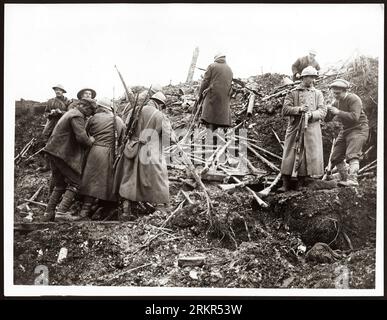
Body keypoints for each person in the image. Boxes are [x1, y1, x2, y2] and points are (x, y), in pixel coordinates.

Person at [113, 91, 175, 220]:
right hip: (149, 150)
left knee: (130, 178)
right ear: (160, 104)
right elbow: (168, 138)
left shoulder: (134, 111)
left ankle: (126, 209)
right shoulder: (160, 115)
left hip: (132, 147)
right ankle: (160, 208)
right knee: (158, 178)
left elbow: (125, 128)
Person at [40, 97, 97, 221]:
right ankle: (61, 212)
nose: (89, 115)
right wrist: (90, 141)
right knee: (76, 182)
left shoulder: (70, 113)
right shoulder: (77, 115)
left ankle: (48, 213)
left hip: (53, 151)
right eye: (90, 112)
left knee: (60, 184)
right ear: (85, 107)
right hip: (61, 153)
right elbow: (81, 138)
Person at [279, 66, 327, 192]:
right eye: (309, 77)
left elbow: (323, 111)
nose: (311, 80)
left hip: (311, 128)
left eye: (313, 77)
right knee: (290, 153)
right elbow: (285, 110)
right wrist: (299, 109)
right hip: (295, 127)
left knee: (307, 156)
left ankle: (301, 182)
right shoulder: (293, 92)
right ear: (303, 77)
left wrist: (312, 114)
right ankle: (285, 182)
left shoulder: (318, 93)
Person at [78, 97, 126, 219]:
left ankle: (85, 210)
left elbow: (85, 133)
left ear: (100, 108)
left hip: (93, 151)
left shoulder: (93, 119)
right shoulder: (118, 120)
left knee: (91, 180)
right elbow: (122, 139)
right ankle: (103, 208)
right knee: (105, 182)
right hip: (109, 152)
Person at [326, 79, 369, 187]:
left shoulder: (354, 99)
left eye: (338, 93)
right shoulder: (336, 102)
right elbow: (327, 119)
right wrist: (327, 110)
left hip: (359, 129)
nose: (335, 95)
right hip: (346, 130)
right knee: (335, 156)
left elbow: (355, 117)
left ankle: (353, 179)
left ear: (345, 91)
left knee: (352, 154)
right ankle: (344, 178)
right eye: (334, 93)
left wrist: (338, 112)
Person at [39, 84, 71, 172]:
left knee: (61, 144)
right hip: (51, 124)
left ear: (63, 91)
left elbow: (71, 113)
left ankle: (62, 167)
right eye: (56, 90)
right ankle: (47, 165)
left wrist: (61, 112)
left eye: (60, 90)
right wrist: (50, 114)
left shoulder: (68, 101)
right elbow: (45, 113)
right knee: (46, 142)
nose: (58, 91)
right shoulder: (50, 101)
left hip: (62, 124)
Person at [198, 52, 233, 131]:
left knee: (209, 118)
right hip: (224, 99)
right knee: (219, 120)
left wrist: (200, 95)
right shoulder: (229, 69)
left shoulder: (212, 66)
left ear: (216, 58)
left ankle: (210, 136)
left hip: (212, 95)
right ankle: (216, 138)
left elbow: (205, 81)